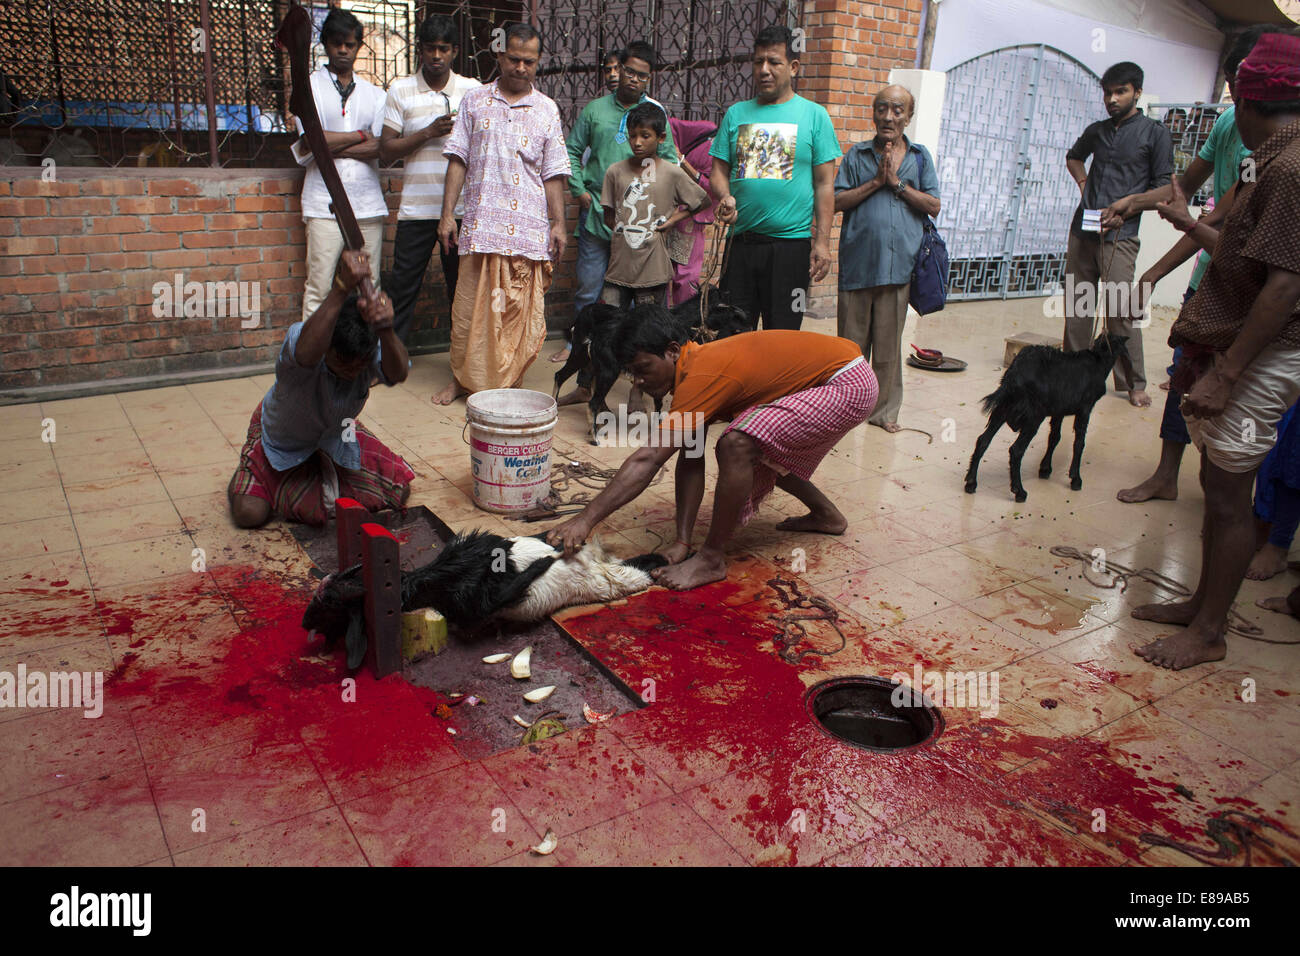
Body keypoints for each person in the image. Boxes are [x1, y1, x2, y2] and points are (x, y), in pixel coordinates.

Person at [1131, 32, 1300, 670]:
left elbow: (1284, 287)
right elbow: (1248, 255)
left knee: (1230, 492)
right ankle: (1202, 605)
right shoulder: (1272, 158)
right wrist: (1187, 222)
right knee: (1216, 479)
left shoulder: (1289, 167)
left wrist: (1227, 373)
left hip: (1268, 349)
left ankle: (1208, 633)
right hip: (1250, 342)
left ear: (1248, 98)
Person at [545, 305, 879, 590]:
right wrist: (681, 543)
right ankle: (827, 515)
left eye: (644, 369)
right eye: (632, 374)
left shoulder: (702, 375)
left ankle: (712, 559)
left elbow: (648, 458)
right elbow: (690, 457)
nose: (640, 383)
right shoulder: (693, 372)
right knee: (759, 447)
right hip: (840, 375)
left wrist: (585, 520)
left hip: (847, 382)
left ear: (673, 351)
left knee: (738, 444)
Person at [1115, 27, 1288, 504]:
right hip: (1208, 280)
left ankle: (1251, 510)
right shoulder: (1232, 126)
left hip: (1254, 296)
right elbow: (1191, 200)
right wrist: (1136, 203)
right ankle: (1170, 477)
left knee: (1244, 411)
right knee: (1184, 380)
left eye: (1243, 88)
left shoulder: (1281, 156)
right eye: (1231, 83)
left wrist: (1183, 229)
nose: (1236, 98)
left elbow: (1216, 226)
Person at [430, 23, 570, 405]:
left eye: (529, 61)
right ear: (500, 56)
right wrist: (447, 216)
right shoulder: (475, 101)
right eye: (514, 59)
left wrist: (559, 224)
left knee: (514, 313)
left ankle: (506, 383)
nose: (521, 67)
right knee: (473, 312)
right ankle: (464, 380)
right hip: (480, 226)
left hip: (527, 230)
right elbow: (457, 160)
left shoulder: (546, 109)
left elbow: (554, 172)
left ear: (538, 62)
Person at [228, 251, 413, 528]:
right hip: (282, 441)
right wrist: (341, 287)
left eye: (358, 366)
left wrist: (386, 329)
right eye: (342, 364)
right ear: (328, 349)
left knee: (399, 486)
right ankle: (249, 466)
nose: (351, 373)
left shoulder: (367, 348)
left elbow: (398, 373)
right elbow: (304, 353)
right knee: (249, 513)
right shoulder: (306, 342)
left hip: (337, 434)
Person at [709, 24, 839, 331]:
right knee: (732, 334)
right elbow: (718, 172)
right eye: (758, 62)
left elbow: (824, 185)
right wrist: (725, 196)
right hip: (741, 246)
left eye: (774, 62)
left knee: (783, 337)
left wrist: (822, 243)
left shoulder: (814, 116)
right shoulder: (737, 113)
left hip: (792, 251)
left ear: (793, 67)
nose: (764, 70)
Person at [558, 41, 678, 369]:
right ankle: (579, 356)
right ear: (618, 69)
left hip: (640, 225)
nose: (634, 80)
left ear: (649, 78)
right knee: (588, 289)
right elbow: (570, 151)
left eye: (642, 75)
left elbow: (669, 160)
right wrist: (580, 191)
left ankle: (629, 360)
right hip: (598, 214)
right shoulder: (596, 111)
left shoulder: (655, 114)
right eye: (629, 71)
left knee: (637, 297)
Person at [1063, 61, 1173, 407]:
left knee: (1120, 310)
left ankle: (1132, 382)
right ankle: (1074, 374)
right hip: (1084, 229)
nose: (1112, 99)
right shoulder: (1097, 130)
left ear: (1136, 92)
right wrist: (1084, 184)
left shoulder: (1155, 133)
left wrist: (1130, 205)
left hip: (1121, 236)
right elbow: (1074, 157)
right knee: (1078, 305)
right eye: (1107, 93)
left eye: (1120, 92)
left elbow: (1165, 190)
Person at [833, 84, 941, 433]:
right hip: (858, 264)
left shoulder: (920, 157)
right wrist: (877, 182)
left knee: (888, 348)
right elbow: (837, 201)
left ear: (909, 116)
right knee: (850, 347)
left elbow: (933, 206)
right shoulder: (857, 155)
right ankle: (844, 408)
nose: (888, 117)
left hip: (899, 268)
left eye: (897, 110)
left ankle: (883, 413)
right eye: (881, 109)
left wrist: (896, 183)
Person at [379, 14, 482, 343]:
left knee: (461, 290)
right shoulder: (401, 90)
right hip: (417, 210)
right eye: (429, 48)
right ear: (420, 50)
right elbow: (385, 150)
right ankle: (386, 361)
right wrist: (427, 132)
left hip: (462, 211)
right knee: (403, 288)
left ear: (454, 51)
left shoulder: (472, 91)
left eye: (443, 49)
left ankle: (463, 362)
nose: (436, 56)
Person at [293, 8, 388, 320]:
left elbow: (380, 146)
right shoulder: (308, 87)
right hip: (323, 201)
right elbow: (310, 142)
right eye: (337, 43)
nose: (343, 50)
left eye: (350, 44)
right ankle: (310, 363)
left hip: (367, 202)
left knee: (370, 286)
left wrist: (329, 145)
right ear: (325, 44)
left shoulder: (375, 94)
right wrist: (360, 135)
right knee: (319, 287)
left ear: (359, 46)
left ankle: (368, 359)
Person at [600, 103, 709, 309]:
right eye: (632, 136)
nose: (637, 143)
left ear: (661, 138)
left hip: (653, 271)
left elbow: (703, 201)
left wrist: (672, 220)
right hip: (618, 270)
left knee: (650, 330)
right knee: (610, 324)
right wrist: (626, 235)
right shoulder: (615, 172)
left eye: (645, 136)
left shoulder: (672, 173)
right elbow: (608, 215)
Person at [666, 116, 721, 306]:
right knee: (663, 271)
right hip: (667, 210)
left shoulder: (724, 151)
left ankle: (683, 324)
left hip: (691, 217)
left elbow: (713, 188)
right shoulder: (705, 132)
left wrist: (684, 164)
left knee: (686, 273)